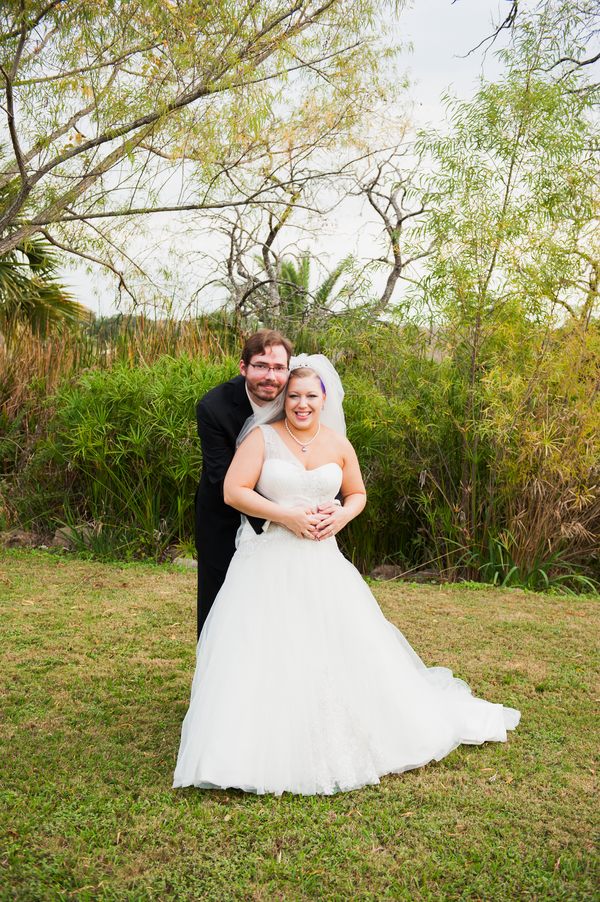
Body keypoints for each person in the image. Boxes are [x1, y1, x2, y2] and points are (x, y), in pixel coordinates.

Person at [175, 354, 520, 796]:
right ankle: (253, 740)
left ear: (324, 399)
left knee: (335, 642)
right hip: (269, 558)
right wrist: (285, 516)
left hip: (323, 559)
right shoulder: (261, 438)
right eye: (293, 395)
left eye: (310, 396)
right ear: (283, 398)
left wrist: (340, 517)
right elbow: (233, 490)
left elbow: (356, 493)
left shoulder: (338, 444)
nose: (301, 404)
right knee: (265, 645)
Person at [194, 330, 292, 638]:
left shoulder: (300, 398)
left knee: (282, 609)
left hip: (291, 520)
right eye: (261, 365)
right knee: (219, 613)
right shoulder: (213, 408)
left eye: (278, 368)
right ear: (243, 367)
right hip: (223, 521)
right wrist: (285, 518)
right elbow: (225, 480)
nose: (270, 376)